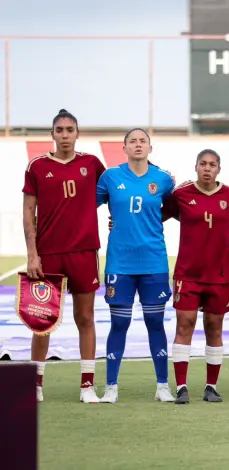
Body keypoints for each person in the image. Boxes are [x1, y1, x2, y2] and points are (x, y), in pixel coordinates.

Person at [22, 109, 105, 403]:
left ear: (78, 133)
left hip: (83, 252)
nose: (65, 135)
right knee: (41, 321)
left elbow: (117, 192)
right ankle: (35, 384)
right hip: (48, 254)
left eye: (70, 129)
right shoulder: (37, 166)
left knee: (85, 317)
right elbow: (28, 213)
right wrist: (32, 254)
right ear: (53, 134)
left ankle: (87, 386)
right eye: (60, 130)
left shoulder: (92, 164)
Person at [97, 128, 176, 403]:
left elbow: (176, 209)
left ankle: (163, 386)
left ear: (150, 148)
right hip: (120, 263)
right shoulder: (110, 177)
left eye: (143, 141)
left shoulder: (164, 180)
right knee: (119, 323)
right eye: (133, 141)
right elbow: (85, 208)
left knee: (156, 322)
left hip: (154, 262)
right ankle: (110, 387)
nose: (138, 145)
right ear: (125, 148)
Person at [163, 149, 229, 405]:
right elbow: (156, 215)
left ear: (219, 169)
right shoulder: (182, 195)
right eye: (203, 164)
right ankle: (182, 387)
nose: (207, 168)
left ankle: (211, 387)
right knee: (184, 325)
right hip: (189, 273)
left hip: (219, 274)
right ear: (196, 167)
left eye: (212, 165)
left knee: (214, 328)